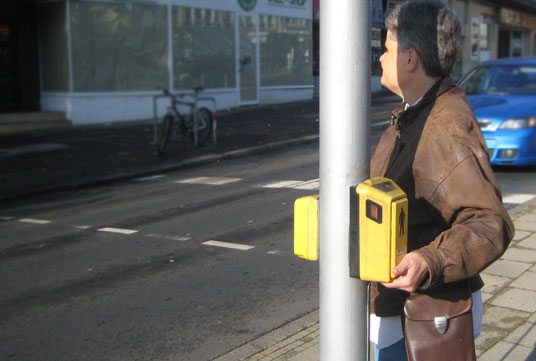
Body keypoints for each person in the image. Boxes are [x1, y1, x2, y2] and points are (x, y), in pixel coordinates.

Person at [369, 1, 515, 360]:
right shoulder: (414, 111)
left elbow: (490, 222)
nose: (380, 59)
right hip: (400, 309)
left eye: (386, 49)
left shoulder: (444, 126)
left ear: (410, 59)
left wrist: (430, 261)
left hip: (419, 317)